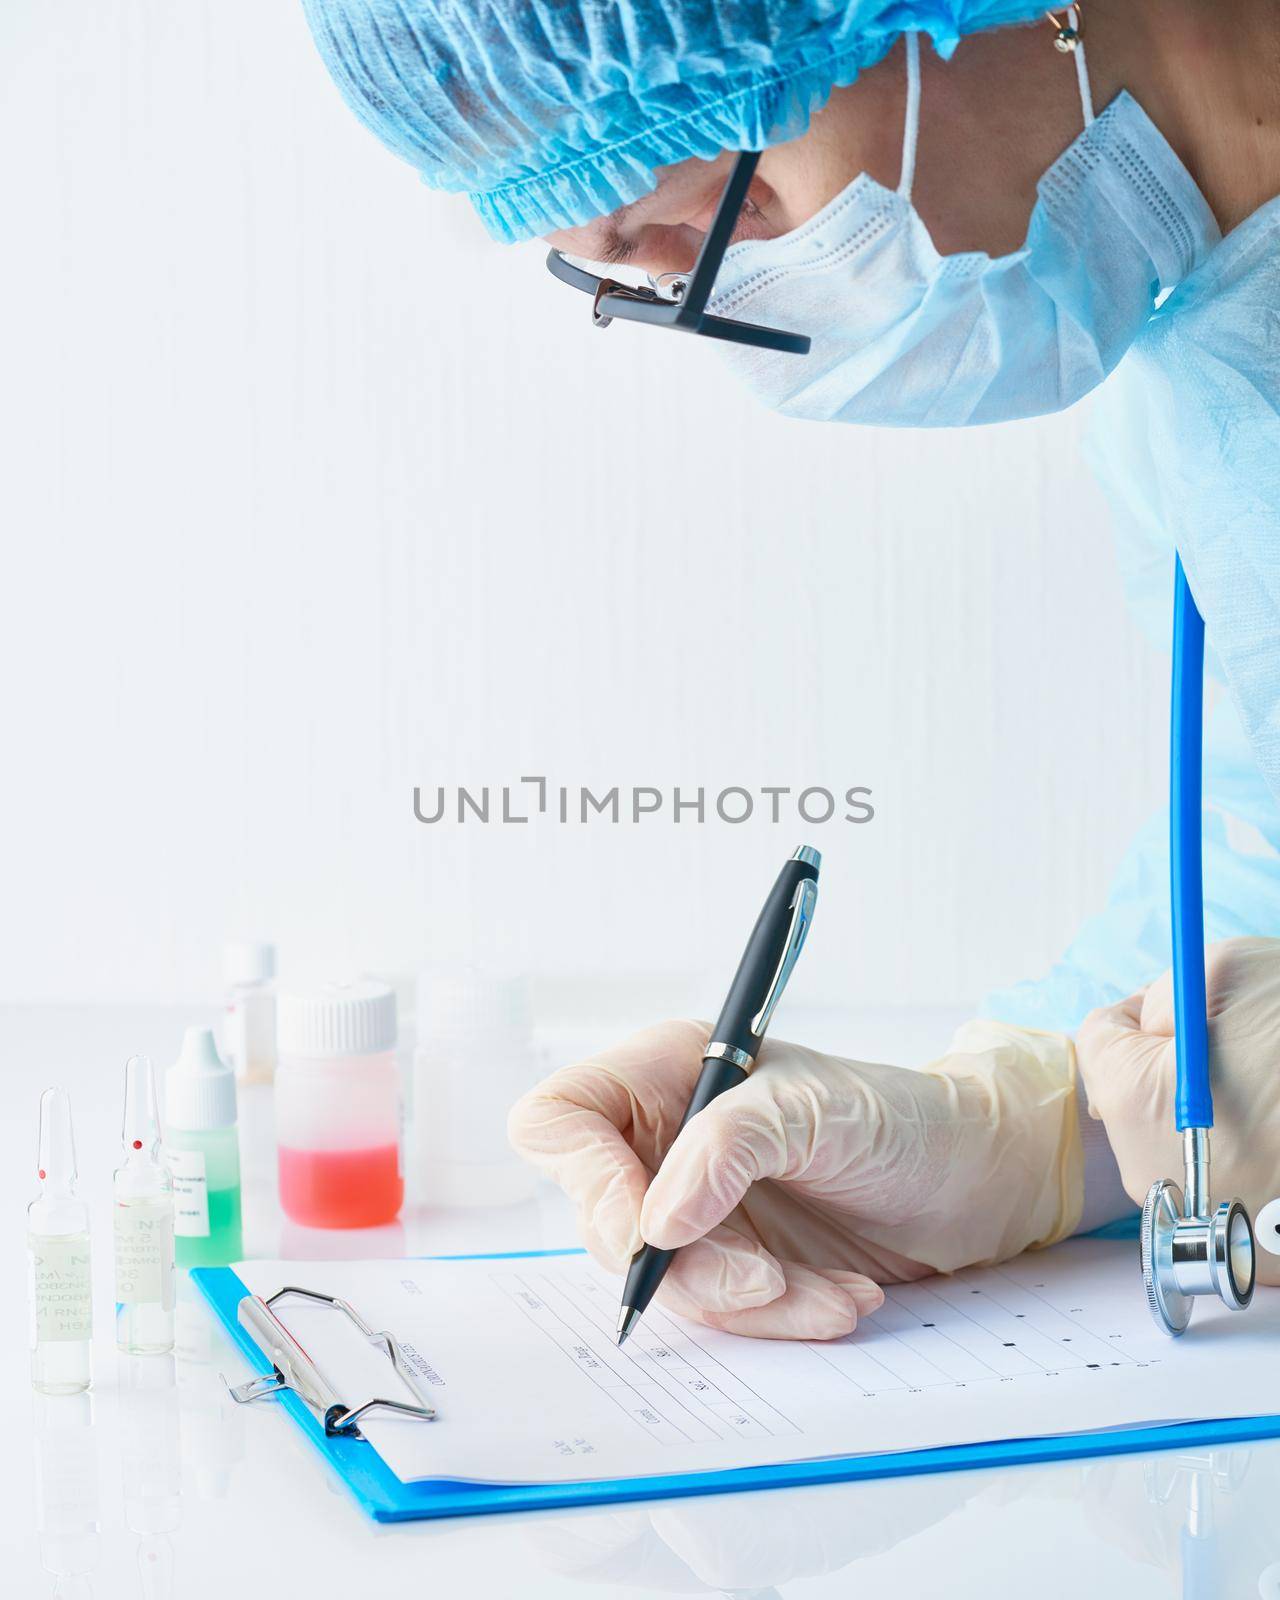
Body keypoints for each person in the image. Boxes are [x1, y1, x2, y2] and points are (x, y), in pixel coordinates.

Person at [298, 0, 1280, 1335]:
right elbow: (1243, 876)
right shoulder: (1205, 379)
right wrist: (1009, 1132)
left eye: (734, 201)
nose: (729, 300)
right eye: (627, 262)